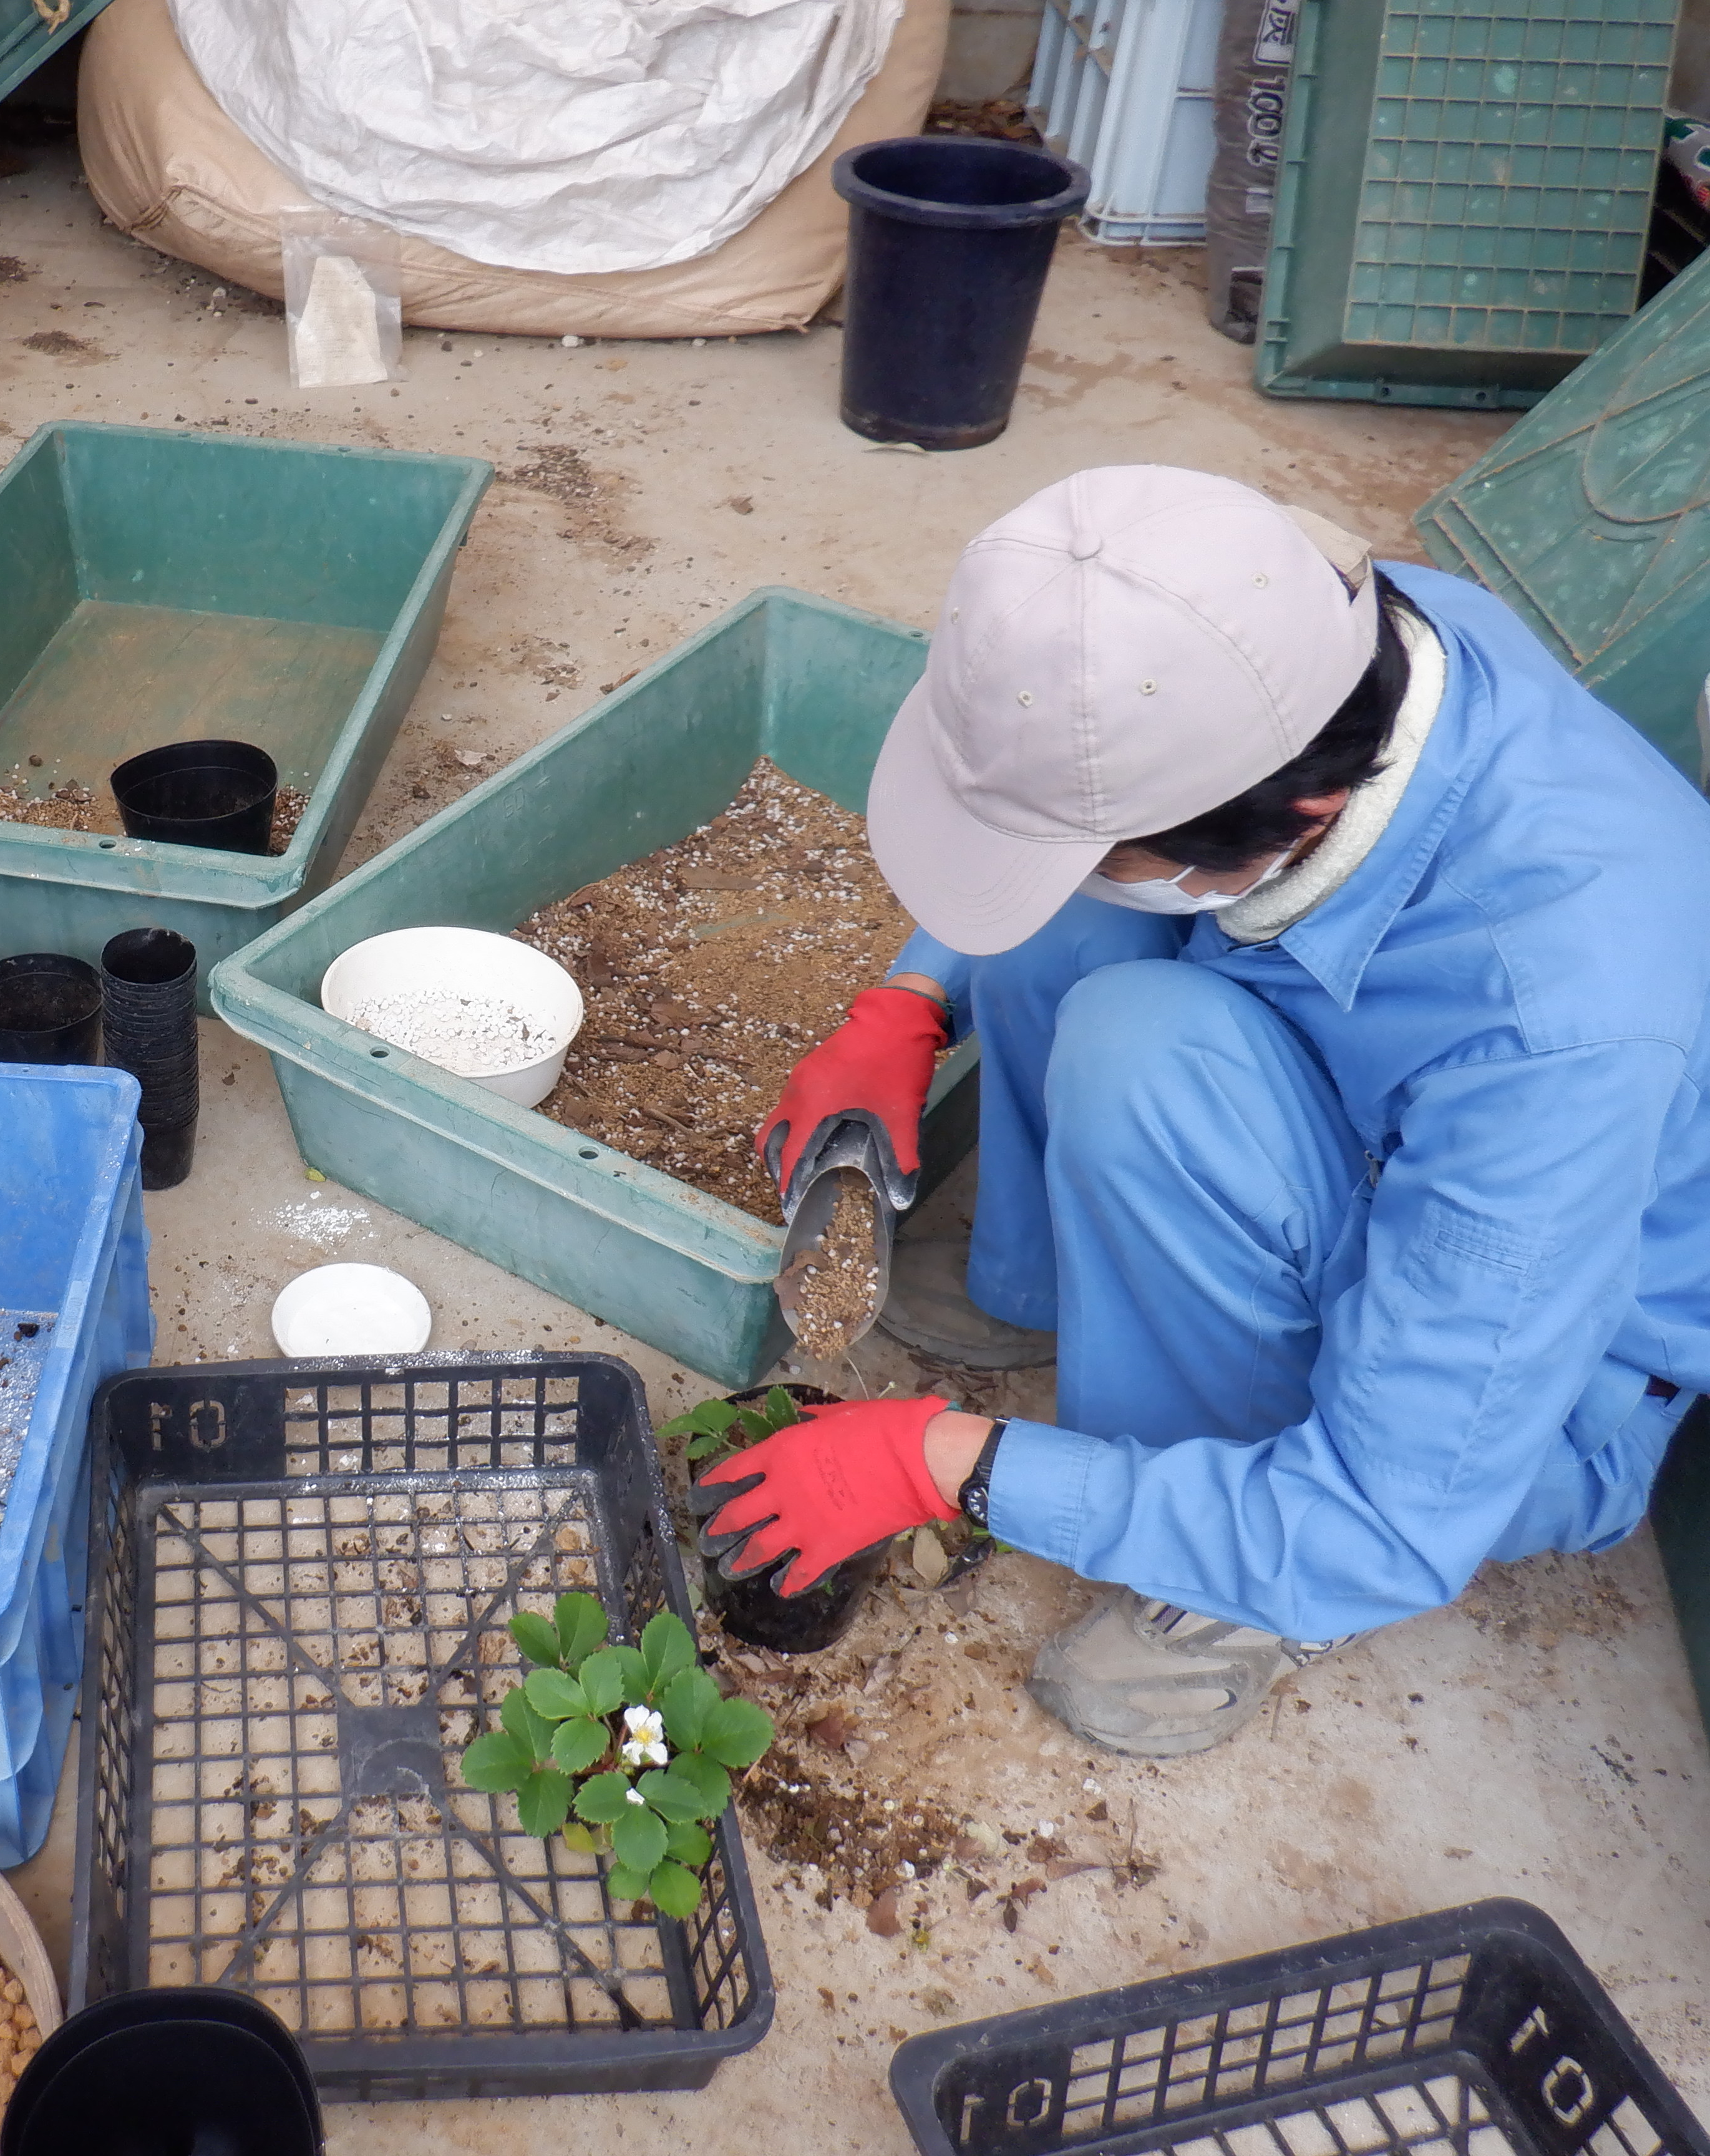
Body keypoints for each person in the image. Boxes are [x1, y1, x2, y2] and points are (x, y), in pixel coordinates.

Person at [698, 465, 1710, 1755]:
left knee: (1142, 1052)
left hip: (1541, 1373)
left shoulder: (1559, 1029)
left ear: (1297, 817)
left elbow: (1392, 1520)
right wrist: (908, 995)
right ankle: (1045, 1282)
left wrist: (952, 1466)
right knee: (1072, 919)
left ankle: (1236, 1566)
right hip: (1378, 1078)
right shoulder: (1311, 639)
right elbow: (1070, 788)